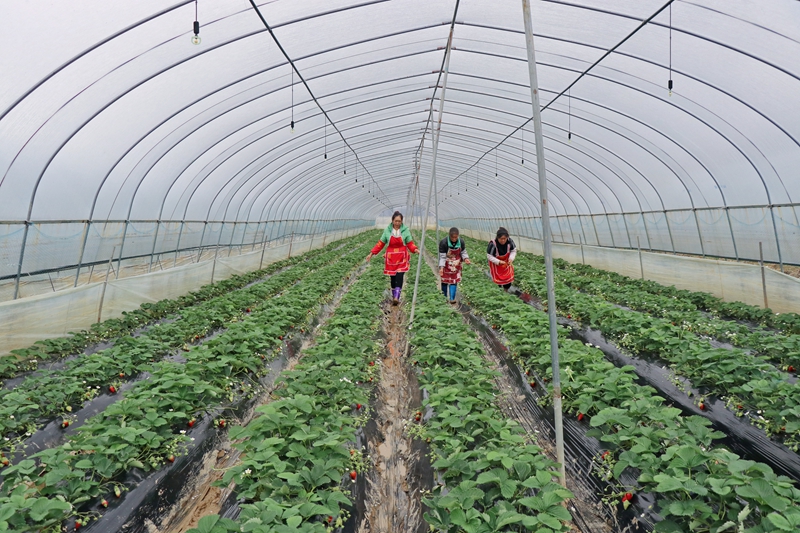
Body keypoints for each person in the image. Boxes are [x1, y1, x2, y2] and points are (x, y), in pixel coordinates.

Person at [367, 211, 419, 305]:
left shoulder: (405, 230)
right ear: (392, 220)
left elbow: (409, 243)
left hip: (402, 256)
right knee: (393, 277)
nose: (397, 223)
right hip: (391, 258)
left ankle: (396, 297)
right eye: (396, 221)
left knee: (400, 275)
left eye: (399, 221)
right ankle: (394, 295)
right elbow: (380, 243)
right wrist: (371, 253)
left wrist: (415, 249)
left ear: (402, 221)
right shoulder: (387, 230)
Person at [439, 227, 470, 304]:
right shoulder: (444, 243)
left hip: (456, 265)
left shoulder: (461, 242)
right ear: (449, 235)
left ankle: (452, 298)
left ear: (458, 236)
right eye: (452, 237)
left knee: (454, 281)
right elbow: (442, 257)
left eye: (456, 237)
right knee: (444, 281)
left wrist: (466, 258)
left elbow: (463, 252)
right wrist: (441, 268)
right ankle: (444, 297)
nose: (454, 239)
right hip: (446, 264)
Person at [487, 227, 516, 291]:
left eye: (504, 238)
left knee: (508, 280)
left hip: (506, 263)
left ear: (507, 237)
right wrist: (499, 261)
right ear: (497, 238)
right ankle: (499, 292)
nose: (503, 240)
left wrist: (511, 258)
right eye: (501, 239)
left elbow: (513, 251)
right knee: (498, 281)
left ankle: (506, 290)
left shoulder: (510, 242)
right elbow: (489, 256)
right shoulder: (493, 244)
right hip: (496, 264)